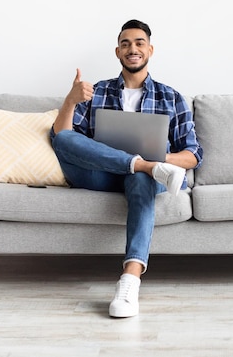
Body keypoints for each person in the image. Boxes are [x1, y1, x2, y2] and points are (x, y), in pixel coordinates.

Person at [50, 19, 203, 318]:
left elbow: (193, 155)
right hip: (102, 174)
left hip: (147, 179)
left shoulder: (171, 97)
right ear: (117, 52)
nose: (132, 49)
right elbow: (64, 137)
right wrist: (70, 100)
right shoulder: (97, 92)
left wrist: (162, 159)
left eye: (139, 43)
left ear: (150, 50)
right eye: (125, 44)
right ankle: (144, 165)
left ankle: (129, 281)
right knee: (63, 138)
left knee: (141, 180)